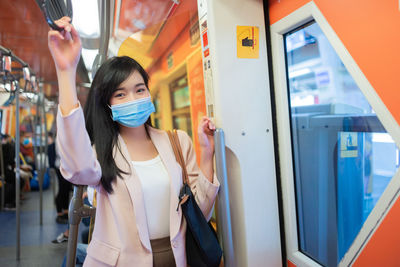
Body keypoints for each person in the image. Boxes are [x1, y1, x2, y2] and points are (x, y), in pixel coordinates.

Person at [48, 17, 220, 267]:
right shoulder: (101, 153)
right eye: (120, 94)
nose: (133, 98)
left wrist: (206, 153)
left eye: (140, 89)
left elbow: (200, 213)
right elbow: (76, 168)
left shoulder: (177, 143)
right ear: (107, 105)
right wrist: (66, 72)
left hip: (177, 259)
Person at [48, 132, 72, 224]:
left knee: (66, 190)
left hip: (67, 167)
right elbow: (61, 153)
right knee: (62, 190)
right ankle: (59, 213)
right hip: (60, 167)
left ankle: (65, 212)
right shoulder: (60, 138)